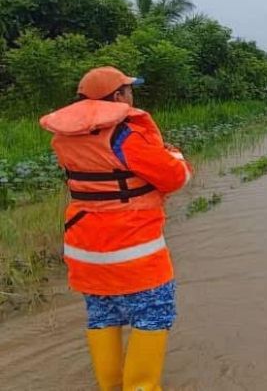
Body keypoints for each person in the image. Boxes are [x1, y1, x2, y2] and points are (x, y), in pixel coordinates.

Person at [39, 66, 193, 390]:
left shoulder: (64, 139)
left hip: (85, 254)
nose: (131, 95)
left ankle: (110, 387)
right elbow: (175, 178)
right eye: (129, 90)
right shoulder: (126, 137)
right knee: (152, 318)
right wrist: (175, 155)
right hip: (134, 257)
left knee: (103, 317)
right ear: (119, 96)